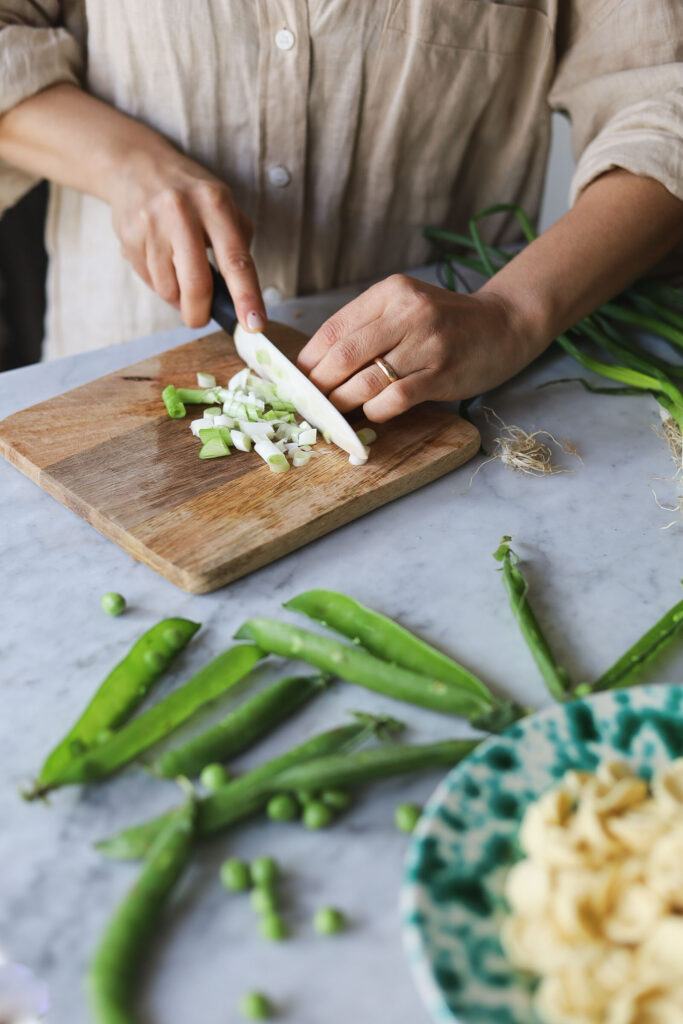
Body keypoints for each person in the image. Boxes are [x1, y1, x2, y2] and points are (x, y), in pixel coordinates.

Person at [0, 2, 681, 423]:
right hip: (112, 372)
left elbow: (663, 102)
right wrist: (121, 162)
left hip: (440, 401)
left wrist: (512, 315)